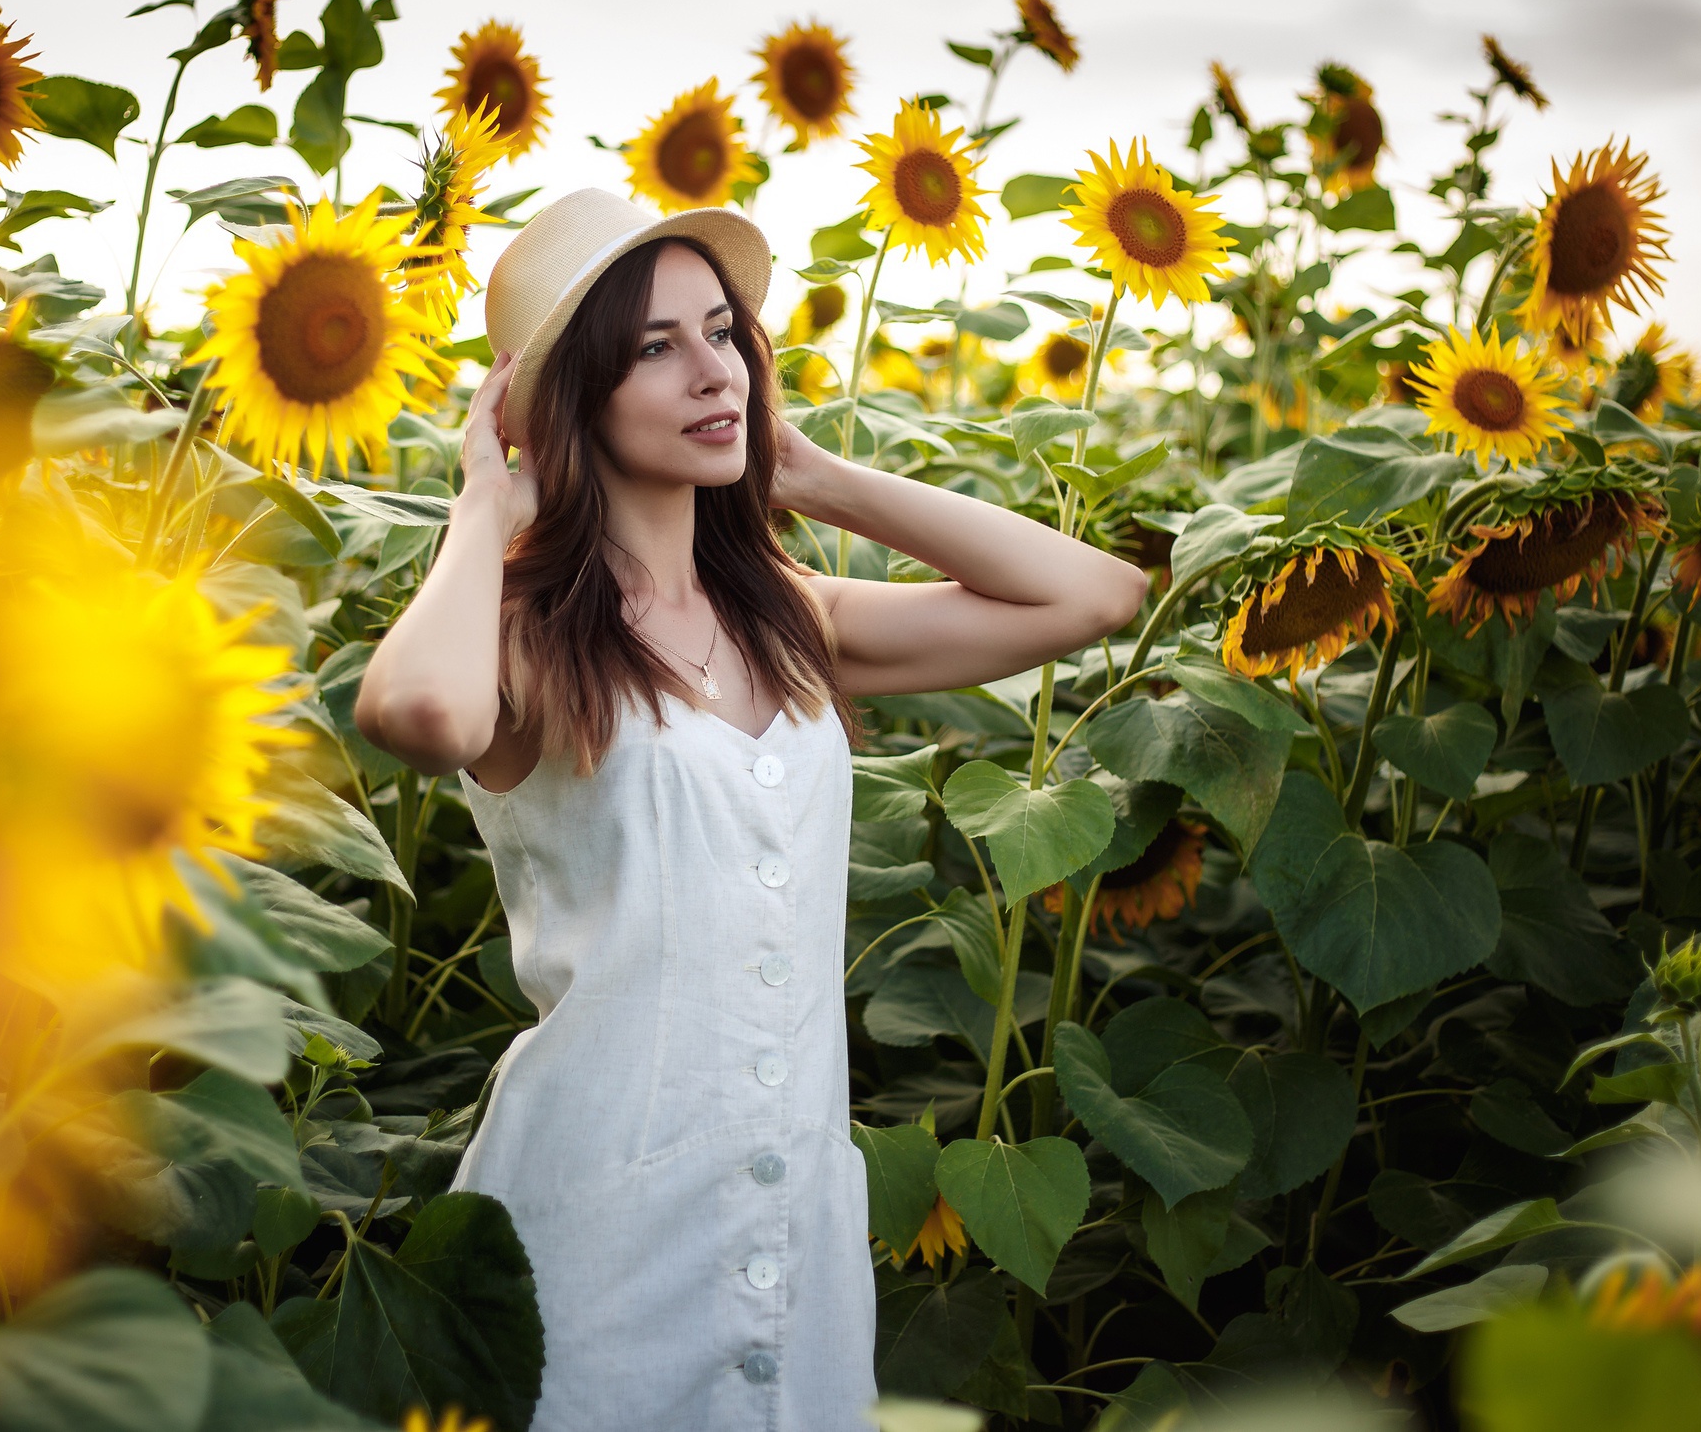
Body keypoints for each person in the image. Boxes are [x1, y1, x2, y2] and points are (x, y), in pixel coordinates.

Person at [354, 188, 1147, 1430]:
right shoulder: (523, 633)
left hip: (787, 1209)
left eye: (721, 332)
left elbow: (1092, 596)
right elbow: (418, 715)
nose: (709, 371)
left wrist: (815, 477)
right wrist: (483, 509)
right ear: (572, 398)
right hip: (597, 1202)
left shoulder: (792, 620)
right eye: (654, 348)